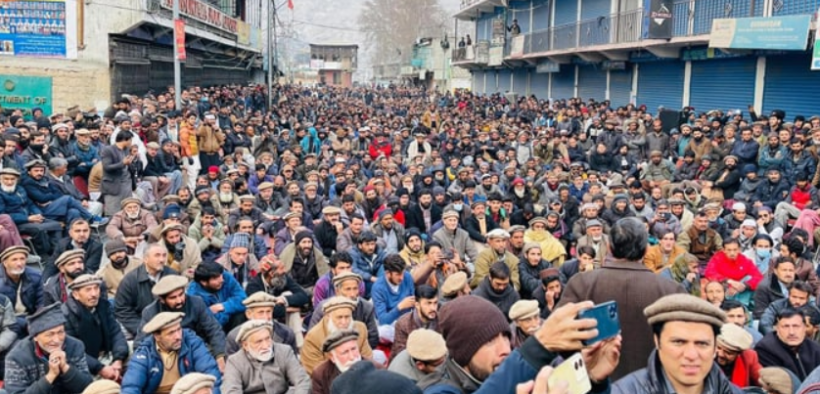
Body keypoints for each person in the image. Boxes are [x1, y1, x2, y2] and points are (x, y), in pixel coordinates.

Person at [558, 217, 685, 379]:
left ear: (609, 248)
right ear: (646, 250)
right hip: (653, 384)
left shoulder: (581, 283)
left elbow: (558, 339)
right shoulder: (671, 290)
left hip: (594, 382)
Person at [611, 294, 743, 394]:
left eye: (702, 344)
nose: (691, 355)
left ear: (715, 347)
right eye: (678, 342)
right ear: (657, 341)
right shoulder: (625, 391)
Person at [121, 312, 222, 394]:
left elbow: (211, 375)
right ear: (157, 336)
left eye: (179, 330)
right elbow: (131, 387)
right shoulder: (144, 354)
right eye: (171, 333)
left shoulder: (192, 343)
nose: (178, 336)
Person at [4, 303, 94, 394]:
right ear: (35, 337)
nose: (57, 340)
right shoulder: (16, 357)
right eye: (50, 334)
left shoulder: (75, 346)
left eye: (60, 332)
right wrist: (51, 375)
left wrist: (65, 368)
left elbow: (88, 388)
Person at [61, 274, 128, 381]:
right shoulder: (66, 315)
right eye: (88, 290)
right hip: (85, 364)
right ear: (76, 294)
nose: (94, 294)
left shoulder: (103, 306)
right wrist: (99, 368)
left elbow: (116, 333)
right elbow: (72, 351)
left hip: (107, 355)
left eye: (96, 288)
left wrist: (118, 359)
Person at [222, 320, 311, 394]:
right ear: (245, 345)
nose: (265, 345)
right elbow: (231, 391)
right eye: (258, 341)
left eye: (268, 339)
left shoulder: (284, 351)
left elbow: (302, 380)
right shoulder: (235, 361)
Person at [114, 243, 178, 338]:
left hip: (169, 322)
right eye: (157, 255)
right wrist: (143, 329)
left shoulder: (172, 275)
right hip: (141, 322)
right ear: (145, 259)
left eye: (164, 256)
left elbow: (181, 302)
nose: (162, 260)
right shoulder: (130, 280)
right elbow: (122, 310)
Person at [755, 308, 820, 380]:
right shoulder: (765, 349)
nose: (791, 332)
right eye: (785, 326)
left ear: (804, 328)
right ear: (777, 328)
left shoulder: (814, 348)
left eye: (796, 326)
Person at [225, 291, 298, 355]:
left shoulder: (286, 333)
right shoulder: (234, 337)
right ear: (249, 314)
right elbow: (232, 367)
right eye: (261, 312)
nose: (265, 317)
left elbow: (293, 365)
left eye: (268, 312)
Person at [187, 261, 247, 330]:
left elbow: (244, 300)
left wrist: (223, 306)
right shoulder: (194, 295)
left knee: (241, 315)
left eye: (221, 275)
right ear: (204, 282)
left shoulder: (225, 276)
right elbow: (206, 322)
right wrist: (231, 309)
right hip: (212, 330)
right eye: (216, 278)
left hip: (230, 322)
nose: (222, 280)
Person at [0, 245, 43, 336]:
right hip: (6, 322)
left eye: (22, 259)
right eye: (14, 260)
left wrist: (37, 320)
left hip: (32, 318)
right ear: (5, 263)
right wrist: (25, 323)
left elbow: (42, 302)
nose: (19, 263)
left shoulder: (35, 276)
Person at [311, 330, 371, 394]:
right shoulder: (321, 374)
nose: (352, 357)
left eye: (353, 349)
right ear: (333, 357)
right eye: (345, 352)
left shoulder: (375, 367)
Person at [391, 284, 438, 359]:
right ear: (417, 305)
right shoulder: (403, 324)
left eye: (435, 303)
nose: (433, 308)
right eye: (428, 303)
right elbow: (400, 355)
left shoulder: (441, 319)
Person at [372, 253, 417, 326]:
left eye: (402, 273)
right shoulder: (378, 288)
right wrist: (400, 307)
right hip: (390, 324)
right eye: (398, 274)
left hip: (408, 320)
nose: (402, 278)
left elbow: (415, 303)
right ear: (387, 273)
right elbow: (383, 320)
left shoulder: (407, 276)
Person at [100, 129, 135, 216]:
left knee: (127, 210)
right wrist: (122, 163)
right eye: (130, 140)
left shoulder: (126, 150)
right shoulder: (108, 150)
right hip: (113, 185)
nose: (131, 142)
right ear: (125, 139)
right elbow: (107, 167)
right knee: (113, 213)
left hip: (127, 183)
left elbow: (127, 164)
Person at [715, 323, 761, 388]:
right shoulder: (705, 358)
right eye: (718, 348)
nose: (720, 354)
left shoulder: (749, 357)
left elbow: (763, 380)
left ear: (738, 353)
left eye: (728, 353)